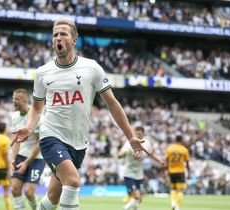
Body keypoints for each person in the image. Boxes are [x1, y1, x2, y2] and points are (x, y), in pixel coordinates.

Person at [11, 19, 147, 210]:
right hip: (51, 137)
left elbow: (112, 103)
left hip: (78, 143)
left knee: (53, 198)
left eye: (63, 34)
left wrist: (131, 136)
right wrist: (29, 126)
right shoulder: (43, 73)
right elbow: (36, 108)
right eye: (55, 35)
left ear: (74, 39)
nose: (58, 38)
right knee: (73, 182)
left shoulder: (91, 68)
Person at [10, 89, 46, 210]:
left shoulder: (36, 117)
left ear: (25, 100)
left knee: (29, 192)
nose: (14, 101)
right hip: (21, 156)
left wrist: (26, 163)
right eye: (13, 98)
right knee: (15, 189)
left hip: (36, 158)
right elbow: (16, 141)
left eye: (17, 99)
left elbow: (39, 143)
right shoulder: (14, 116)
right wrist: (13, 158)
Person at [118, 126, 162, 210]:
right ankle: (126, 207)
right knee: (137, 196)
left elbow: (151, 154)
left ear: (143, 133)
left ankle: (130, 204)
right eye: (136, 133)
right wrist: (124, 152)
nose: (137, 135)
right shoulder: (129, 142)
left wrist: (160, 161)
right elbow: (119, 155)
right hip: (129, 173)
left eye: (139, 133)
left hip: (139, 174)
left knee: (140, 199)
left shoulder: (147, 142)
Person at [165, 135, 190, 210]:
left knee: (173, 188)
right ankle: (177, 207)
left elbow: (166, 161)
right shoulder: (184, 149)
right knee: (180, 190)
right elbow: (187, 163)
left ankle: (173, 202)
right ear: (181, 140)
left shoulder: (170, 149)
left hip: (171, 172)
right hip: (180, 171)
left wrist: (167, 171)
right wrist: (189, 173)